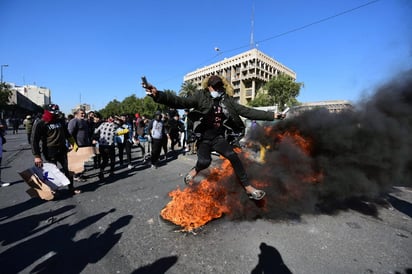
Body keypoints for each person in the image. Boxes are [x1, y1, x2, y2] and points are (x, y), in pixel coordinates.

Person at [143, 75, 285, 200]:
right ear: (208, 87)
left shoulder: (227, 101)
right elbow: (181, 101)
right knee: (205, 161)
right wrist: (158, 95)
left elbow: (247, 111)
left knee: (233, 156)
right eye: (214, 87)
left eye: (219, 87)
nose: (217, 89)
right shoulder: (200, 97)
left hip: (218, 138)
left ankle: (248, 188)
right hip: (204, 137)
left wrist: (272, 116)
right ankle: (195, 170)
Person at [31, 104, 81, 195]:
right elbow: (34, 140)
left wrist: (73, 143)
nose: (55, 114)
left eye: (56, 112)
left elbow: (66, 133)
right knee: (52, 172)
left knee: (69, 169)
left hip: (62, 149)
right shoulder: (40, 123)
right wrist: (37, 156)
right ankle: (53, 190)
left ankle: (71, 188)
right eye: (52, 113)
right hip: (50, 150)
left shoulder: (59, 120)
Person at [67, 107, 90, 182]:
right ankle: (76, 176)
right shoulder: (74, 121)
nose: (83, 114)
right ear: (76, 114)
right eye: (81, 113)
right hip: (77, 145)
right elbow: (69, 133)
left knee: (82, 161)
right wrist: (72, 144)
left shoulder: (84, 121)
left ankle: (80, 174)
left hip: (84, 144)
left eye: (84, 113)